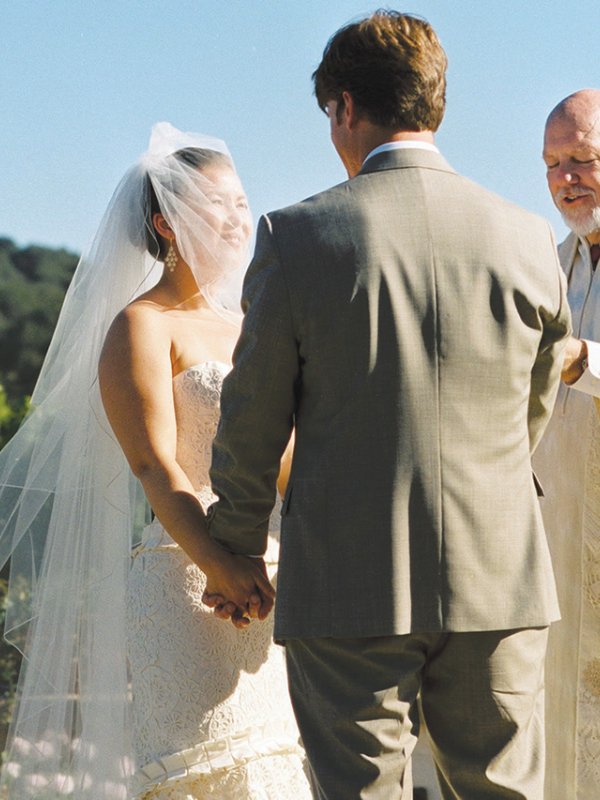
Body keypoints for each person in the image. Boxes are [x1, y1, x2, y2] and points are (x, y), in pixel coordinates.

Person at [200, 11, 571, 800]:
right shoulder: (529, 238)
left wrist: (232, 544)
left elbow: (254, 414)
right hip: (497, 571)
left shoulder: (297, 237)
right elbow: (532, 405)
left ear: (343, 106)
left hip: (347, 576)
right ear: (435, 102)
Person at [0, 123, 311, 799]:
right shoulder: (140, 326)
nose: (236, 219)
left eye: (239, 203)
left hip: (272, 585)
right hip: (185, 580)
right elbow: (155, 466)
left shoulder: (252, 324)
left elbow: (289, 460)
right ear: (166, 224)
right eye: (214, 205)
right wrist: (221, 563)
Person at [533, 88, 600, 800]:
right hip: (555, 546)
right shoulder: (546, 264)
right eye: (552, 164)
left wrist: (585, 360)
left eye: (581, 159)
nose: (565, 179)